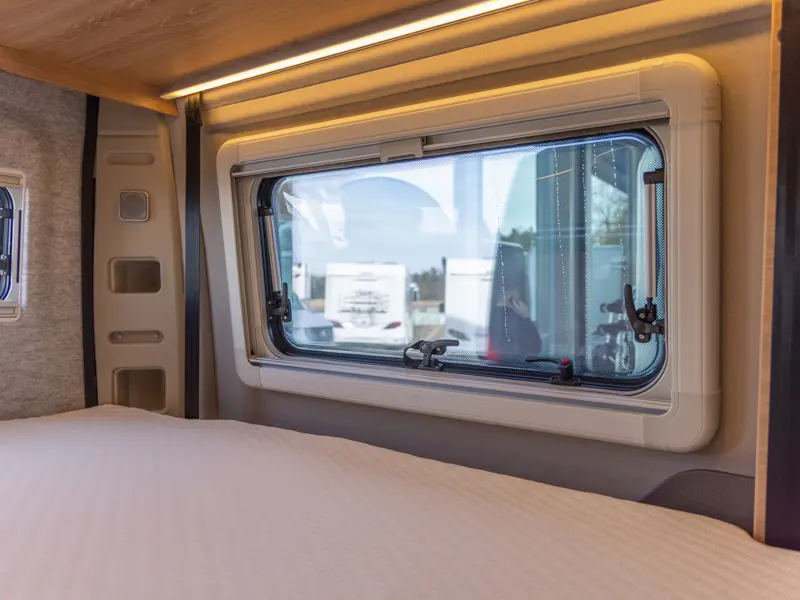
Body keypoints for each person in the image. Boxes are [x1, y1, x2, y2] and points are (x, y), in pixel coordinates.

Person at [487, 277, 542, 362]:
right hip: (505, 365)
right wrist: (525, 318)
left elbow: (535, 348)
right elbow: (502, 346)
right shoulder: (498, 316)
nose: (517, 294)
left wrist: (526, 317)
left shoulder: (519, 314)